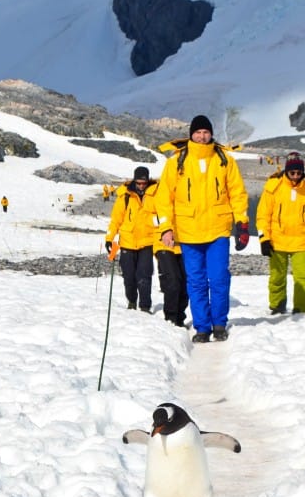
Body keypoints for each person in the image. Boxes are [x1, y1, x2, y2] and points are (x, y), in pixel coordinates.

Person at [155, 115, 249, 343]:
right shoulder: (176, 161)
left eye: (206, 132)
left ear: (211, 134)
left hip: (218, 229)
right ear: (191, 134)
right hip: (188, 231)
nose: (202, 136)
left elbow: (237, 193)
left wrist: (242, 223)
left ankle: (219, 324)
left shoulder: (224, 159)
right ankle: (202, 327)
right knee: (195, 281)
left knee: (218, 278)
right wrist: (166, 228)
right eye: (198, 132)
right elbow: (163, 197)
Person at [255, 152, 305, 314]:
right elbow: (262, 216)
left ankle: (302, 309)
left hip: (300, 241)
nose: (295, 176)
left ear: (303, 173)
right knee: (277, 277)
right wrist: (264, 239)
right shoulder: (273, 187)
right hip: (276, 241)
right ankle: (277, 306)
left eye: (299, 173)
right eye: (292, 173)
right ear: (286, 171)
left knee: (303, 278)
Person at [105, 167, 155, 313]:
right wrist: (109, 238)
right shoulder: (125, 197)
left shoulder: (154, 195)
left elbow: (161, 215)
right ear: (134, 181)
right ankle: (132, 301)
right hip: (127, 242)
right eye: (138, 183)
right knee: (129, 277)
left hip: (147, 242)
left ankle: (145, 306)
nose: (141, 186)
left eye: (143, 183)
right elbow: (115, 220)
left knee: (144, 276)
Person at [144, 186, 189, 327]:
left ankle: (180, 317)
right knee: (172, 280)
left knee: (185, 283)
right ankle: (171, 318)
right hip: (162, 243)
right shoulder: (153, 193)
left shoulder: (187, 185)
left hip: (183, 242)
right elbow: (146, 218)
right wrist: (165, 222)